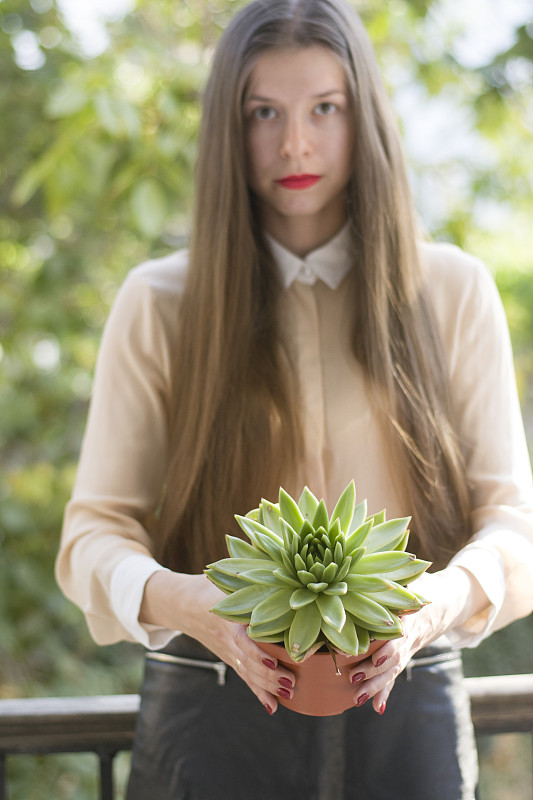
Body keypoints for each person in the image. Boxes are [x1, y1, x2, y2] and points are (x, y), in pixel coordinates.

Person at [56, 0, 533, 797]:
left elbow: (513, 524)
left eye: (325, 109)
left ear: (364, 117)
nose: (295, 144)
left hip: (406, 707)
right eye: (263, 113)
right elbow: (91, 536)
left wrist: (432, 605)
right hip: (208, 710)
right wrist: (192, 603)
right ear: (226, 129)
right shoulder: (159, 301)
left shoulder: (450, 289)